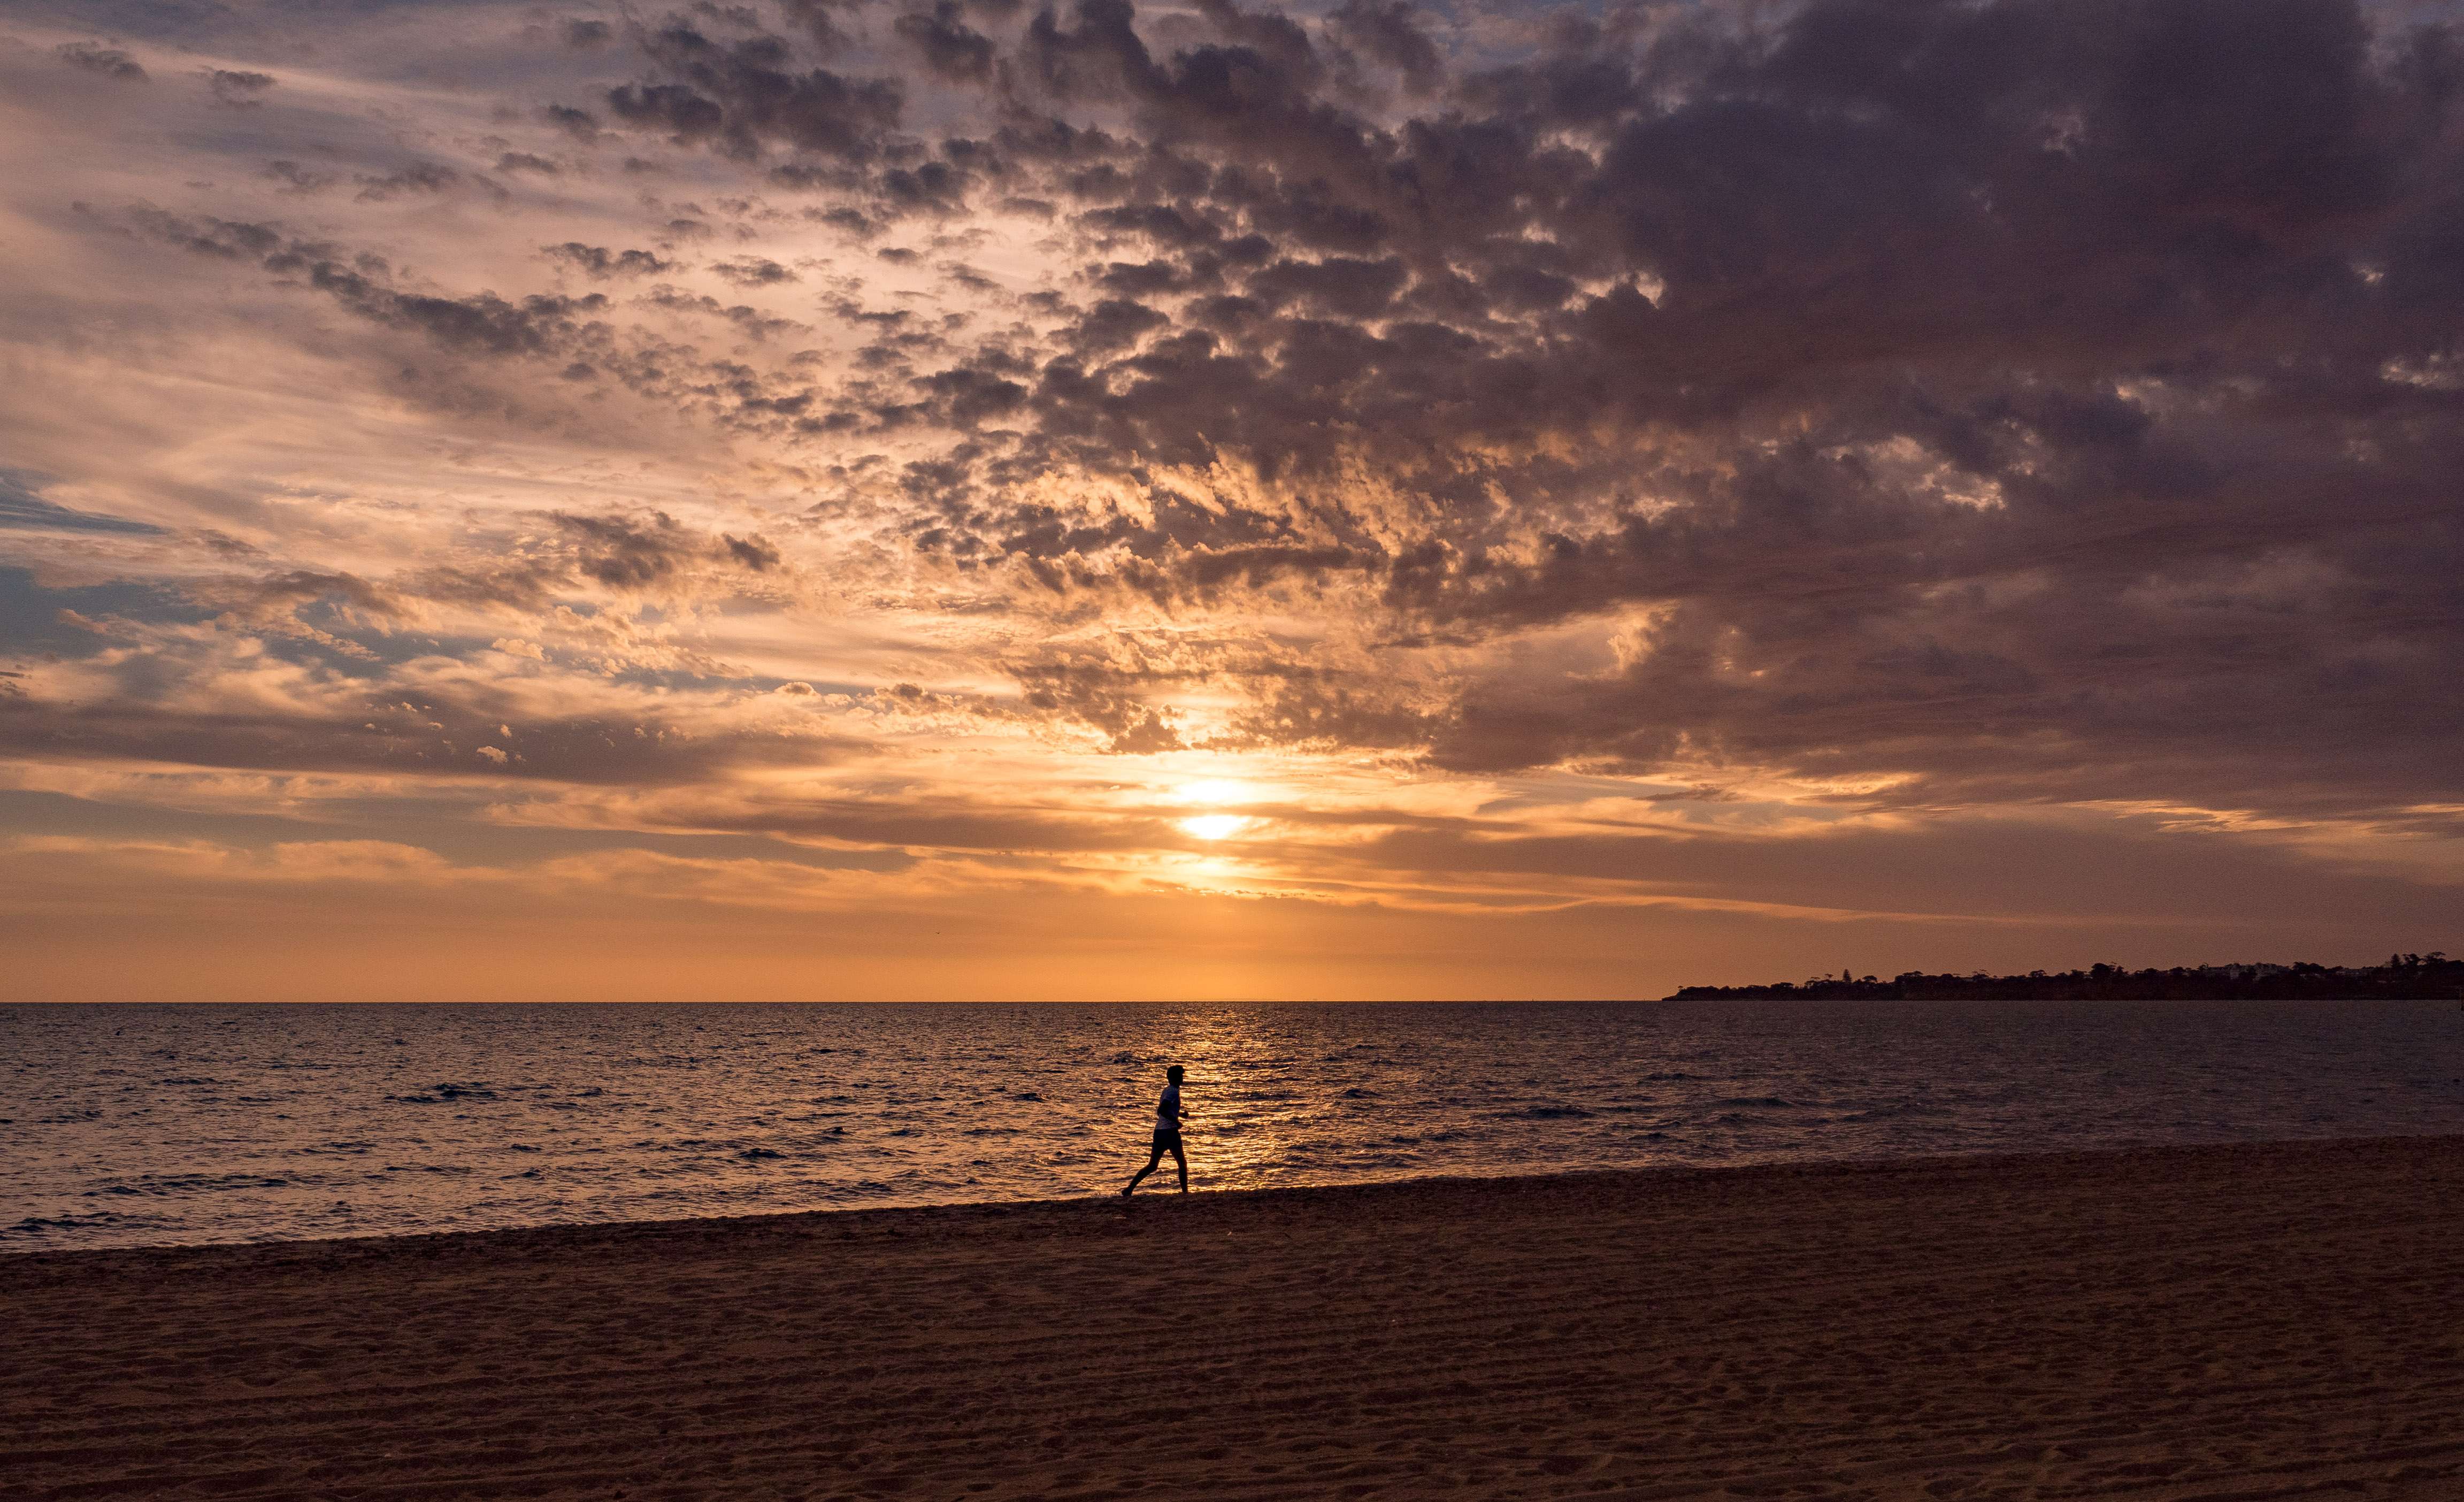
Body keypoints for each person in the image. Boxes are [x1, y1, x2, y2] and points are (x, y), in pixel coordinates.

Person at [1120, 1063, 1189, 1195]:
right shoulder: (1173, 1092)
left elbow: (1165, 1110)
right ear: (1174, 1077)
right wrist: (1176, 1121)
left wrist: (1180, 1115)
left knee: (1153, 1166)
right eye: (1180, 1075)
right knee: (1182, 1163)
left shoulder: (1168, 1090)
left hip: (1160, 1133)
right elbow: (1162, 1110)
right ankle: (1185, 1193)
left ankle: (1129, 1189)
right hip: (1170, 1132)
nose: (1182, 1077)